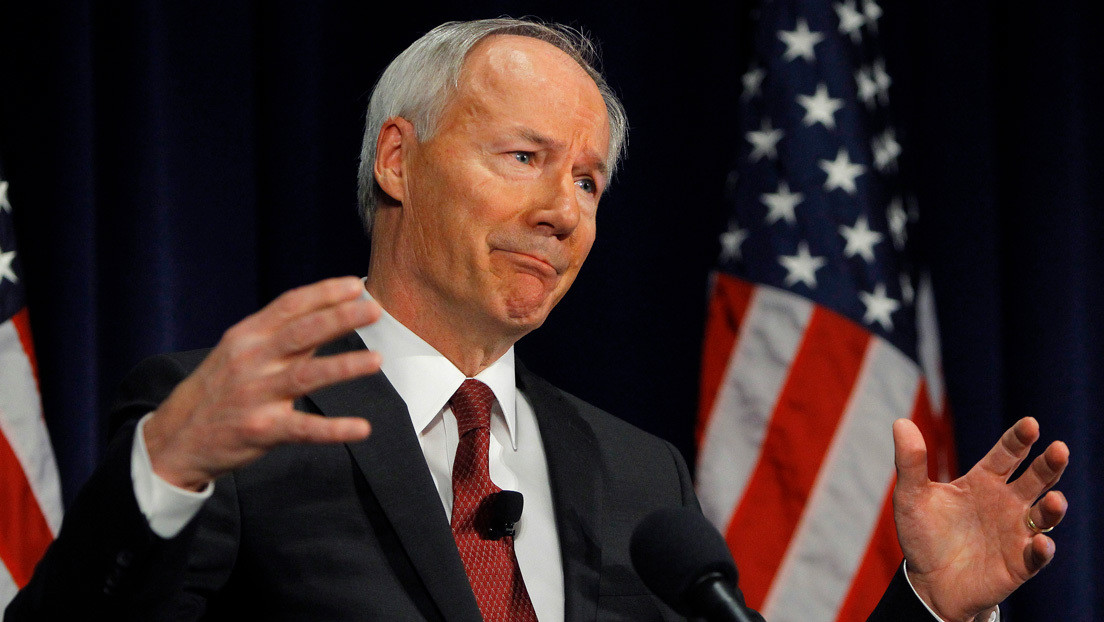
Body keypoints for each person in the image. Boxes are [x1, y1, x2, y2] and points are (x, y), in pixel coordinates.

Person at [6, 18, 1068, 622]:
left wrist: (926, 607)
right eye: (525, 157)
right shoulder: (236, 424)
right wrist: (164, 471)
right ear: (398, 160)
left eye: (590, 182)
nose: (564, 210)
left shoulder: (640, 479)